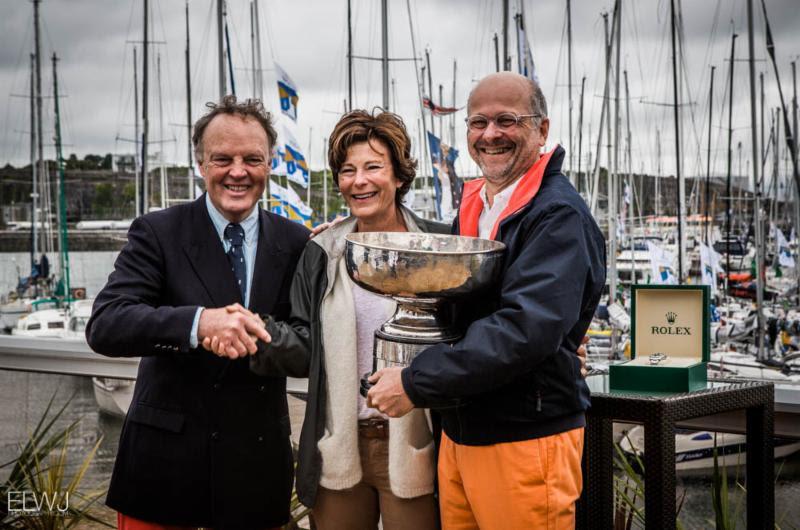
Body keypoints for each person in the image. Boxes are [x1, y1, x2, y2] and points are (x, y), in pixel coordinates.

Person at [366, 72, 607, 529]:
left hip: (524, 439)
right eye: (478, 123)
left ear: (542, 130)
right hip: (462, 433)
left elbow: (524, 331)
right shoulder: (477, 202)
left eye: (507, 120)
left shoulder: (557, 214)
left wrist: (416, 382)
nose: (490, 134)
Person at [85, 95, 309, 530]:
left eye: (252, 158)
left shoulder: (297, 242)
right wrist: (198, 323)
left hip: (255, 474)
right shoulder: (158, 231)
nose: (238, 171)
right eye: (222, 158)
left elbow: (309, 342)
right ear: (200, 164)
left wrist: (256, 333)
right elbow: (107, 324)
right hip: (162, 471)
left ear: (270, 163)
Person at [228, 110, 448, 530]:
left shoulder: (437, 245)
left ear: (399, 176)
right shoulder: (322, 251)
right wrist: (255, 333)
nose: (358, 181)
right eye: (347, 171)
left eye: (372, 167)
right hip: (339, 445)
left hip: (418, 444)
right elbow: (304, 342)